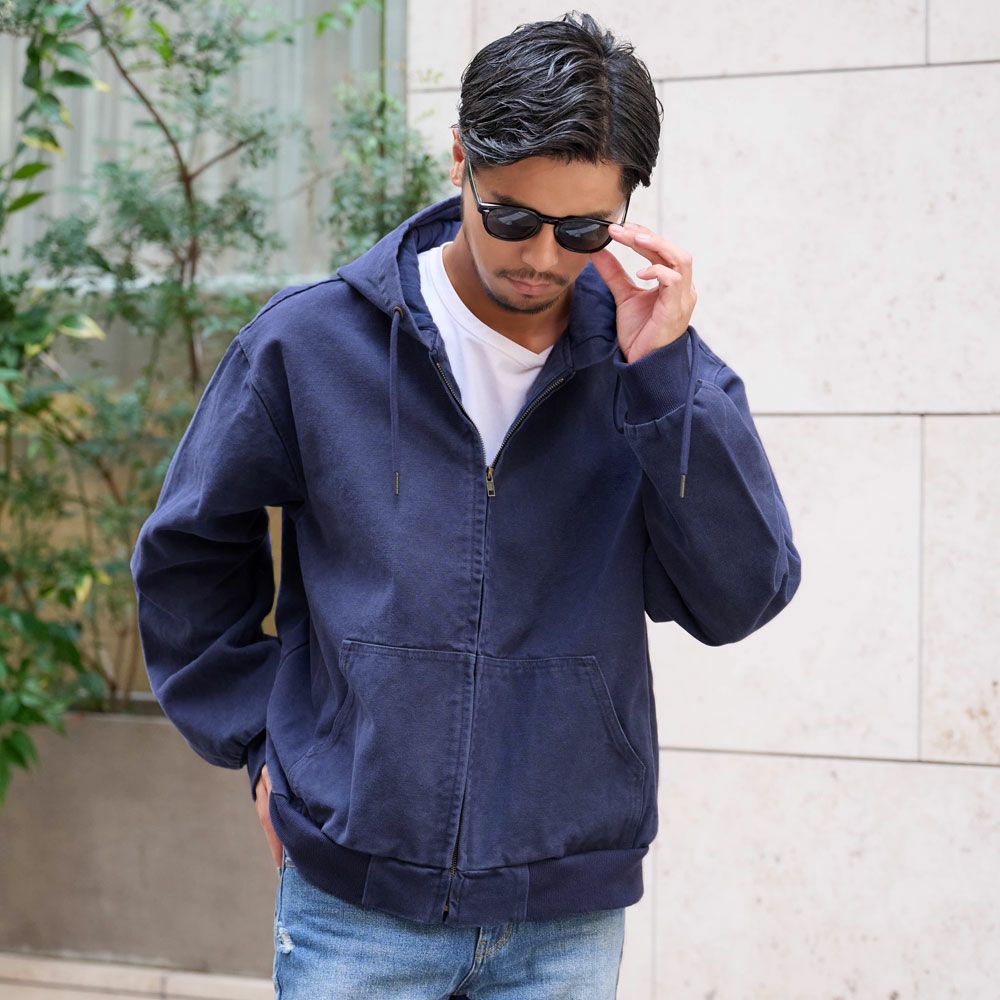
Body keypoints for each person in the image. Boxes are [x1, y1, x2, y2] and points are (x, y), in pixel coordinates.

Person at [129, 11, 802, 999]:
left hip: (564, 914)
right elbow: (187, 553)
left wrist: (664, 381)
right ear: (461, 161)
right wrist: (264, 746)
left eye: (583, 230)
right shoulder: (311, 346)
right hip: (355, 908)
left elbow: (739, 595)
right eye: (513, 217)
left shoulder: (651, 368)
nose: (543, 257)